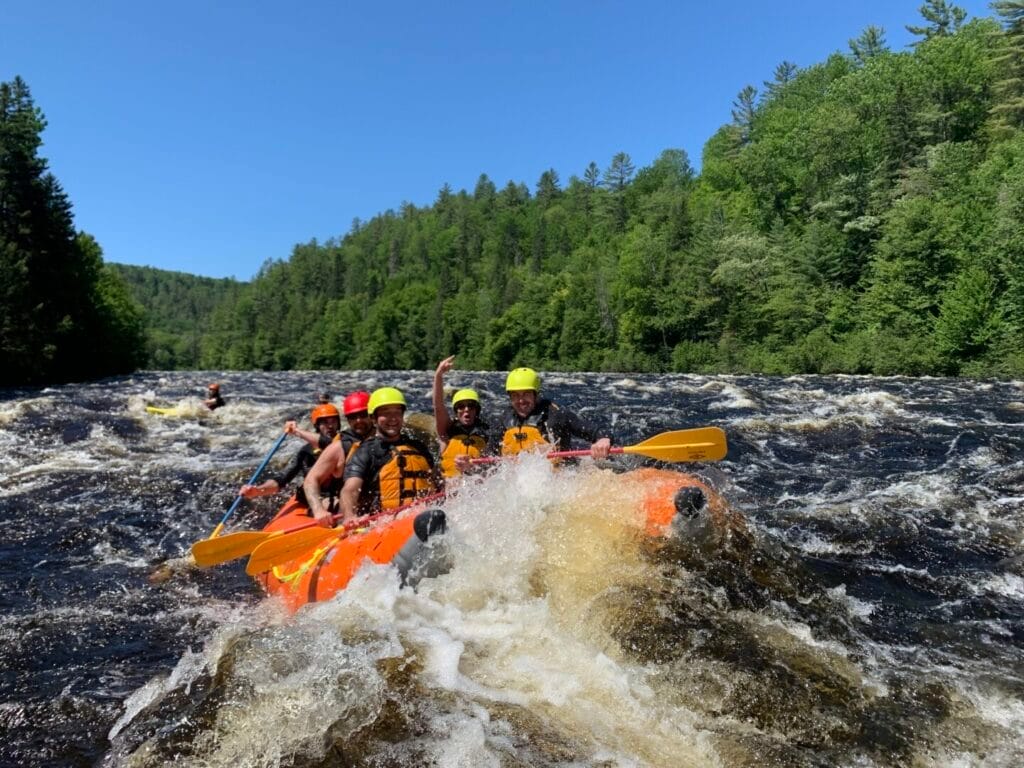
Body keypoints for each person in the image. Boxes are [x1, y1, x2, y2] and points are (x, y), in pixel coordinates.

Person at [329, 386, 442, 527]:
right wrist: (349, 516)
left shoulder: (418, 447)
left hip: (424, 517)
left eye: (397, 413)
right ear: (373, 418)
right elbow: (349, 489)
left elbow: (439, 481)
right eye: (385, 414)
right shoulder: (365, 451)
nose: (392, 419)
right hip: (384, 523)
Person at [492, 367, 612, 460]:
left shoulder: (556, 415)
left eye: (526, 394)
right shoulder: (505, 420)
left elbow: (592, 430)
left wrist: (603, 439)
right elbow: (490, 451)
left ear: (536, 395)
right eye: (515, 395)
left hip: (560, 476)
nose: (521, 400)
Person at [239, 403, 342, 506]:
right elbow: (281, 480)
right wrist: (258, 490)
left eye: (333, 421)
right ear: (317, 426)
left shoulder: (346, 442)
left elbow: (330, 443)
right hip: (320, 497)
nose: (330, 426)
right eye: (325, 423)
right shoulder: (306, 452)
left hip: (342, 493)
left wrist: (296, 431)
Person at [301, 390, 378, 525]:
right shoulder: (339, 447)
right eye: (353, 417)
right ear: (348, 420)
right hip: (350, 514)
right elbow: (310, 480)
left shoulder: (387, 439)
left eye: (362, 415)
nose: (358, 420)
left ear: (372, 415)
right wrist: (319, 510)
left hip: (382, 509)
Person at [433, 355, 489, 478]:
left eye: (471, 406)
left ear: (477, 410)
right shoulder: (446, 431)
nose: (466, 410)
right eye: (461, 406)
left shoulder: (487, 432)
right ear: (456, 411)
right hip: (452, 487)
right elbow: (438, 406)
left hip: (478, 487)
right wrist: (438, 375)